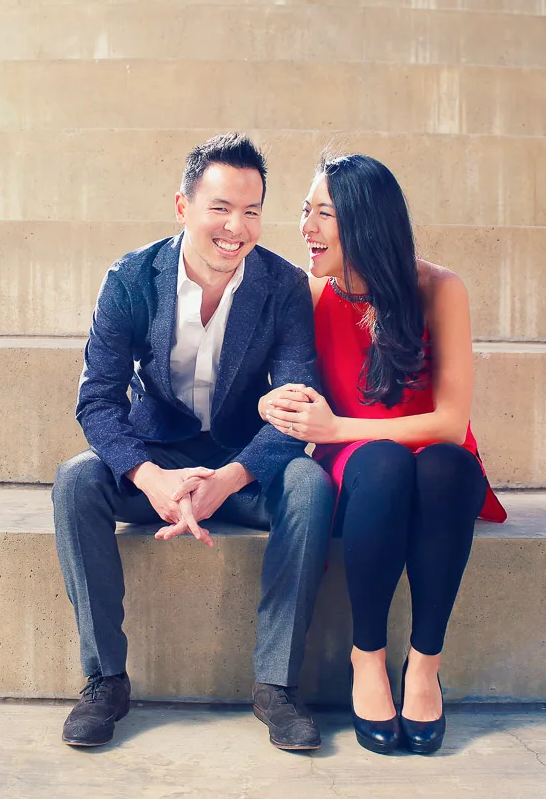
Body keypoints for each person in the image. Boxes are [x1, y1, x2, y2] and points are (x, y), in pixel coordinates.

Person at [52, 133, 335, 751]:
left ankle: (277, 685)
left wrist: (228, 480)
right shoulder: (131, 278)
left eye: (252, 210)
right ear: (183, 207)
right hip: (159, 457)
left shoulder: (282, 286)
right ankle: (105, 681)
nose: (237, 227)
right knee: (76, 479)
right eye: (220, 208)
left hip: (242, 466)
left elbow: (293, 406)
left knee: (310, 483)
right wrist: (151, 479)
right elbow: (97, 401)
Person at [261, 153, 506, 755]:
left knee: (448, 468)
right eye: (304, 211)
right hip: (361, 468)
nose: (305, 228)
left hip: (428, 455)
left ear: (366, 223)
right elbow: (276, 385)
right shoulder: (309, 292)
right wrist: (272, 406)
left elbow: (450, 423)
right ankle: (367, 658)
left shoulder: (440, 289)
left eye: (323, 214)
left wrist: (338, 426)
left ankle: (424, 663)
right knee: (383, 463)